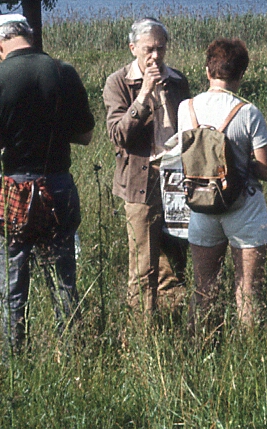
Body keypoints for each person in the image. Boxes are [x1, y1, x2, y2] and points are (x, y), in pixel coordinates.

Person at [0, 13, 95, 350]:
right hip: (58, 186)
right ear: (28, 35)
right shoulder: (63, 72)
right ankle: (74, 357)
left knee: (11, 284)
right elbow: (85, 135)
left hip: (13, 192)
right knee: (62, 279)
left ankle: (15, 361)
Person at [178, 38, 267, 327]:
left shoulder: (187, 108)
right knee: (248, 291)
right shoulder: (248, 113)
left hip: (201, 207)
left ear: (208, 71)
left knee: (203, 288)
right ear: (241, 75)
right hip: (243, 207)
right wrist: (241, 162)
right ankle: (248, 353)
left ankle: (199, 348)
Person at [103, 18, 191, 314]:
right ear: (133, 49)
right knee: (143, 267)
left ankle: (170, 331)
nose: (155, 56)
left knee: (175, 262)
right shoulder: (119, 82)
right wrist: (144, 94)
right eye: (148, 50)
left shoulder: (178, 82)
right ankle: (140, 334)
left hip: (177, 180)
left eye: (160, 49)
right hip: (142, 180)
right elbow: (119, 135)